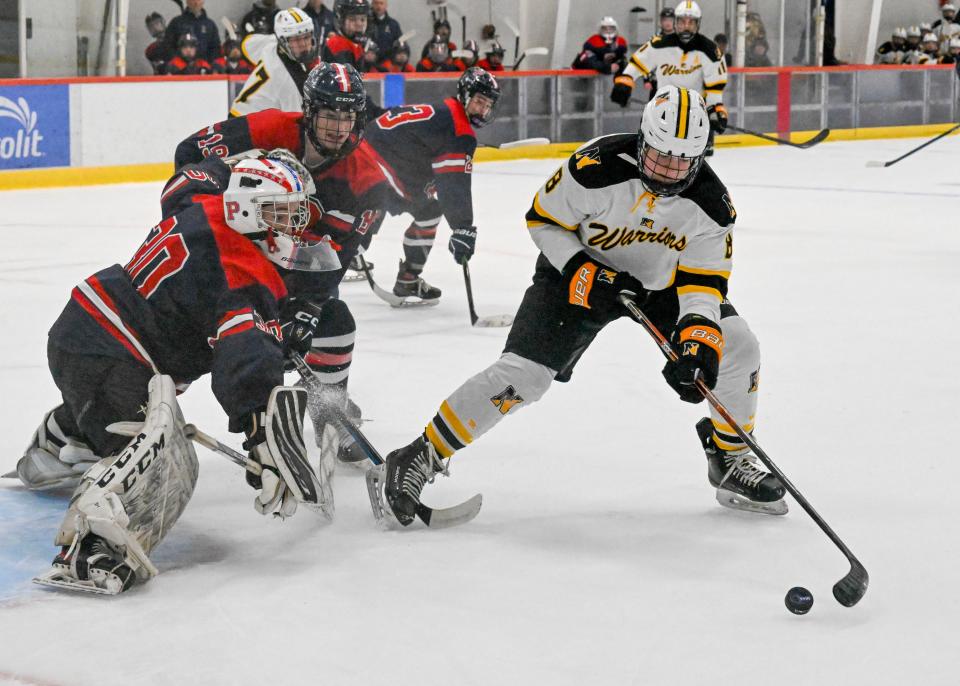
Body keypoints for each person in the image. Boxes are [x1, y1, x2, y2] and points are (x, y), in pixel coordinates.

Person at [376, 85, 786, 528]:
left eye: (681, 161)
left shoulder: (712, 205)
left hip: (662, 284)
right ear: (642, 139)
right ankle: (420, 453)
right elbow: (543, 221)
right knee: (524, 376)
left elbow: (703, 281)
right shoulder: (596, 167)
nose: (668, 171)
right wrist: (585, 271)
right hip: (576, 274)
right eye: (659, 156)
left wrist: (697, 342)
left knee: (737, 344)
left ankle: (729, 456)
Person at [19, 156, 338, 593]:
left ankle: (60, 439)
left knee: (132, 403)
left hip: (94, 332)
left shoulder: (202, 203)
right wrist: (262, 432)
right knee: (162, 454)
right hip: (109, 344)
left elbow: (186, 180)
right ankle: (89, 548)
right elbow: (246, 358)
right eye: (278, 213)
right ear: (246, 208)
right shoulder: (242, 271)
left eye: (292, 213)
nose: (290, 226)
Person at [176, 63, 404, 456]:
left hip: (289, 269)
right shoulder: (269, 128)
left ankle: (327, 412)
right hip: (232, 256)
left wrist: (309, 306)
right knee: (186, 338)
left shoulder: (367, 183)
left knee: (335, 323)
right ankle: (117, 412)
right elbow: (190, 153)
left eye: (346, 116)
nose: (337, 127)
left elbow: (337, 256)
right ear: (309, 111)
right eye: (329, 114)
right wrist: (205, 223)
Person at [362, 67, 500, 303]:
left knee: (386, 201)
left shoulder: (446, 112)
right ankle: (396, 272)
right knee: (427, 210)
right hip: (378, 154)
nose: (483, 109)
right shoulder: (459, 129)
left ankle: (355, 249)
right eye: (479, 101)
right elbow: (453, 185)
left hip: (369, 146)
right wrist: (463, 227)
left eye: (487, 105)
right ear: (465, 96)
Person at [612, 1, 727, 156]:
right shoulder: (659, 44)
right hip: (663, 108)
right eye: (682, 22)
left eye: (691, 22)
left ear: (698, 24)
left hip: (694, 111)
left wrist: (716, 109)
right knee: (651, 152)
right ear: (675, 22)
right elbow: (638, 63)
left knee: (692, 158)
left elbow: (715, 86)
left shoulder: (711, 50)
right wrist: (624, 81)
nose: (686, 26)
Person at [231, 8, 319, 117]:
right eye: (296, 39)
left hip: (240, 113)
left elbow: (246, 45)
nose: (303, 44)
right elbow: (297, 121)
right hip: (245, 123)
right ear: (283, 41)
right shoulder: (285, 80)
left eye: (306, 37)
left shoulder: (271, 42)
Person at [163, 0, 220, 64]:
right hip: (180, 70)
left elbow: (215, 50)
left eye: (199, 0)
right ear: (187, 1)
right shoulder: (176, 22)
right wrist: (178, 63)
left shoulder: (210, 25)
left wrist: (210, 67)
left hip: (204, 70)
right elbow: (168, 46)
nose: (196, 3)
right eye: (193, 0)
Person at [322, 0, 369, 70]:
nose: (359, 24)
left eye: (362, 19)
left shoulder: (356, 43)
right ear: (340, 20)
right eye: (352, 19)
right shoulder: (336, 44)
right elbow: (347, 77)